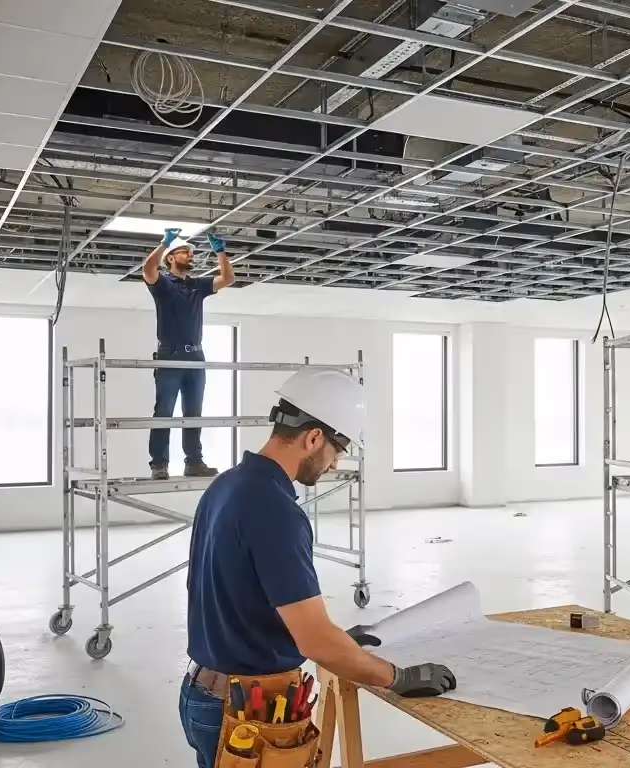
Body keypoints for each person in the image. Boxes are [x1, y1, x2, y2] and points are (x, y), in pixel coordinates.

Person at [180, 369, 456, 767]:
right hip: (245, 711)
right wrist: (397, 677)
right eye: (338, 448)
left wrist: (339, 642)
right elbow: (316, 643)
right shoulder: (277, 511)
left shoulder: (226, 485)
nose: (335, 462)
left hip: (202, 692)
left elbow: (235, 596)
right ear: (313, 437)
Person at [143, 229, 235, 480]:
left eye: (190, 252)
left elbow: (228, 278)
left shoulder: (197, 285)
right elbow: (148, 269)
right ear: (171, 258)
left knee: (193, 412)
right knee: (164, 411)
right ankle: (159, 464)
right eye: (184, 252)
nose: (190, 255)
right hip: (170, 354)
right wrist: (164, 243)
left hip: (196, 357)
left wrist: (220, 252)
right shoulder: (163, 284)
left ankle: (194, 462)